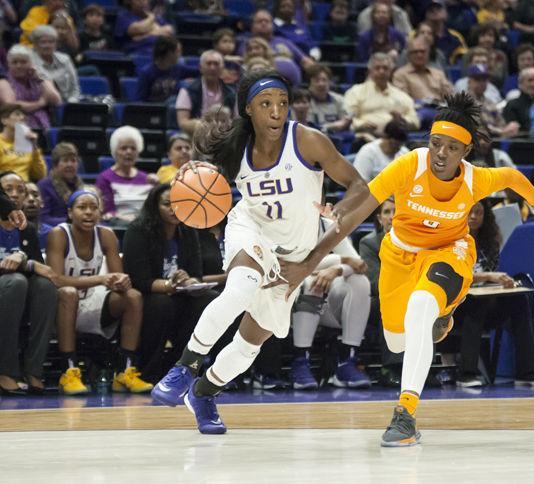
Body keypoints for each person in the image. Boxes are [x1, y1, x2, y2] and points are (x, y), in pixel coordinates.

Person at [279, 92, 534, 446]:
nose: (440, 153)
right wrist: (312, 257)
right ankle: (436, 319)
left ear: (465, 151)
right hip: (400, 256)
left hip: (449, 252)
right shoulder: (409, 166)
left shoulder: (475, 180)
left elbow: (510, 177)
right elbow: (360, 207)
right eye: (435, 143)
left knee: (421, 309)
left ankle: (406, 413)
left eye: (451, 147)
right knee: (397, 342)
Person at [150, 69, 369, 434]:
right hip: (250, 230)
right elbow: (203, 179)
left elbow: (360, 187)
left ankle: (203, 393)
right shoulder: (236, 147)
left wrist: (318, 249)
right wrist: (191, 173)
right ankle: (184, 368)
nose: (276, 112)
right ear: (248, 109)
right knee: (239, 290)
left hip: (296, 254)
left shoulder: (308, 141)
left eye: (283, 103)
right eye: (266, 104)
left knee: (249, 345)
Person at [46, 190, 153, 395]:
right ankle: (68, 371)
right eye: (82, 207)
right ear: (70, 212)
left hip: (91, 303)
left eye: (93, 208)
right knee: (68, 292)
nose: (88, 213)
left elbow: (116, 276)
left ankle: (124, 372)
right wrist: (101, 279)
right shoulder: (58, 234)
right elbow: (56, 279)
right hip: (59, 308)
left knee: (133, 297)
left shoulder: (106, 235)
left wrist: (121, 281)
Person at [122, 184, 218, 383]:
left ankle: (183, 368)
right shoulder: (138, 231)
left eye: (179, 204)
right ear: (154, 206)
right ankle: (149, 370)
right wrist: (168, 285)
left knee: (209, 301)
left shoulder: (188, 230)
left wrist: (191, 281)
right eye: (167, 204)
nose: (175, 209)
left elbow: (196, 273)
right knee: (161, 304)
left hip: (180, 294)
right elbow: (138, 280)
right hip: (149, 296)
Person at [450, 200, 534, 387]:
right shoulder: (452, 241)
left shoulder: (490, 241)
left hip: (484, 300)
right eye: (469, 212)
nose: (474, 217)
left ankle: (526, 372)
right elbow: (456, 277)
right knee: (476, 305)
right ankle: (466, 374)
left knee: (519, 301)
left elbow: (492, 276)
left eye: (478, 213)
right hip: (455, 305)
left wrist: (505, 282)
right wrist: (489, 276)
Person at [290, 215, 371, 390]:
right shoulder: (283, 221)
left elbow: (359, 264)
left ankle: (346, 362)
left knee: (360, 281)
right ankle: (300, 361)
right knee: (312, 282)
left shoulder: (328, 225)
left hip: (324, 306)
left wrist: (336, 269)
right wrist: (339, 261)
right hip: (286, 301)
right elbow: (295, 265)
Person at [0, 170, 56, 395]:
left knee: (45, 287)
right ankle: (6, 371)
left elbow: (38, 268)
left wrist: (24, 260)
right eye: (8, 189)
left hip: (17, 293)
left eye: (20, 190)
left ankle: (34, 370)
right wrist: (26, 263)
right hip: (10, 288)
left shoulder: (28, 229)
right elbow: (29, 266)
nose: (14, 195)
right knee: (15, 283)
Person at [358, 198, 402, 387]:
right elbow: (375, 283)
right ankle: (390, 369)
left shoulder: (416, 240)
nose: (392, 216)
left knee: (425, 304)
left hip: (407, 295)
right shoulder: (369, 243)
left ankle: (422, 368)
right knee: (392, 304)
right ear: (379, 218)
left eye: (396, 211)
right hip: (377, 299)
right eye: (387, 212)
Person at [343, 52, 419, 139]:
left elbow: (416, 122)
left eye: (385, 68)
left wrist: (402, 120)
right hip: (365, 138)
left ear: (391, 71)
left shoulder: (402, 96)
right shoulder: (356, 92)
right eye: (377, 68)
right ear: (370, 71)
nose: (381, 71)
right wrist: (360, 124)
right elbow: (346, 119)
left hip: (396, 140)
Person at [95, 126, 157, 225]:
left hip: (144, 225)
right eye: (123, 148)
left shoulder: (147, 178)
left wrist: (158, 185)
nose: (129, 152)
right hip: (118, 225)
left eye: (133, 148)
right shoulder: (104, 178)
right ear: (115, 152)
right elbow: (107, 211)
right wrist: (125, 218)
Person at [392, 36, 454, 125]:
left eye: (422, 51)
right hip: (417, 111)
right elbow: (404, 101)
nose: (419, 55)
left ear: (428, 53)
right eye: (415, 52)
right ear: (408, 55)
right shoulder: (400, 74)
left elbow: (450, 97)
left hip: (440, 110)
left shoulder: (438, 74)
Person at [175, 50, 236, 136]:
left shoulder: (232, 93)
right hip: (195, 136)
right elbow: (183, 122)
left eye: (216, 64)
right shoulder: (187, 90)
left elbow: (237, 121)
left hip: (224, 137)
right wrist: (204, 127)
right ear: (200, 67)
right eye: (209, 63)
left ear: (222, 68)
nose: (212, 68)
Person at [4, 44, 61, 131]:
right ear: (9, 65)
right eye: (14, 62)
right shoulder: (4, 82)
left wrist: (40, 79)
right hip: (16, 128)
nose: (18, 66)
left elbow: (56, 100)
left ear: (31, 63)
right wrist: (40, 103)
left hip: (44, 125)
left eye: (23, 62)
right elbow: (12, 107)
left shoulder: (40, 77)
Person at [137, 36, 199, 103]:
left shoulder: (178, 68)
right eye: (178, 51)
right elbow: (141, 101)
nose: (180, 55)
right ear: (169, 53)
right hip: (154, 110)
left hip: (173, 109)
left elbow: (200, 71)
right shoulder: (146, 73)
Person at [37, 141, 83, 226]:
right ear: (55, 164)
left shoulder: (81, 187)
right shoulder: (44, 186)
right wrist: (72, 221)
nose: (70, 164)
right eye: (65, 160)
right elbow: (43, 218)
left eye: (73, 160)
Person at [30, 24, 79, 103]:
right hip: (40, 104)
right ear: (35, 44)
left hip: (66, 103)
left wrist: (71, 103)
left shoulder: (65, 59)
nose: (47, 45)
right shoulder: (29, 62)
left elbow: (75, 88)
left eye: (51, 42)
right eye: (43, 42)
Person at [0, 104, 47, 181]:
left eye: (23, 116)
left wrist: (34, 147)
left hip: (24, 187)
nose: (22, 118)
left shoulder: (27, 143)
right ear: (4, 120)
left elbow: (41, 175)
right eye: (17, 114)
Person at [503, 67, 534, 138]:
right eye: (530, 80)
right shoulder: (512, 105)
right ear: (520, 84)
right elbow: (512, 132)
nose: (533, 84)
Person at [305, 64, 351, 133]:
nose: (321, 84)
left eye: (324, 80)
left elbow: (345, 122)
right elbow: (309, 128)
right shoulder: (305, 102)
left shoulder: (339, 99)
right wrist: (333, 126)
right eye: (317, 80)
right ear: (310, 83)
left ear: (330, 82)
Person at [24, 181, 52, 249]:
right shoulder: (8, 233)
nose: (31, 199)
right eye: (25, 195)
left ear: (42, 202)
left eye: (35, 195)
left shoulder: (52, 234)